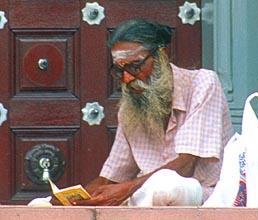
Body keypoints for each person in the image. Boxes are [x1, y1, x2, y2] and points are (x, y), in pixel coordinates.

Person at [77, 18, 234, 206]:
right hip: (145, 196)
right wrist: (73, 199)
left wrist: (126, 190)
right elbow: (112, 177)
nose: (126, 79)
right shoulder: (131, 105)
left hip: (204, 196)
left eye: (135, 67)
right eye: (120, 70)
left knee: (164, 187)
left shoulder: (203, 84)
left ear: (162, 55)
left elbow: (186, 164)